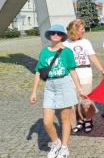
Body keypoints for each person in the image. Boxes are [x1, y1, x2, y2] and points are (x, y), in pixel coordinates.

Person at [30, 24, 86, 158]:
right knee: (47, 122)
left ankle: (64, 147)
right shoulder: (44, 51)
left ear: (62, 36)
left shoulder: (67, 52)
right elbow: (38, 72)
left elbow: (72, 71)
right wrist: (34, 92)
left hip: (64, 84)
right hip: (50, 86)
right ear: (49, 34)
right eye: (53, 33)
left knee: (65, 119)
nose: (56, 35)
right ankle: (56, 142)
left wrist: (79, 89)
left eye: (59, 33)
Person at [63, 19, 104, 134]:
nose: (84, 31)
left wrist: (101, 70)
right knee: (74, 100)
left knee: (85, 99)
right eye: (82, 29)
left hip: (85, 72)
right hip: (71, 74)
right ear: (75, 30)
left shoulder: (85, 42)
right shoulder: (65, 44)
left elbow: (92, 57)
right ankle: (80, 121)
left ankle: (88, 119)